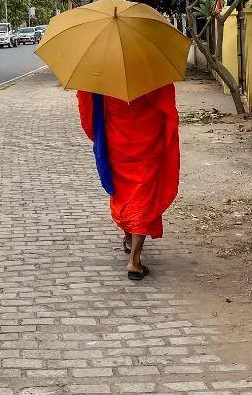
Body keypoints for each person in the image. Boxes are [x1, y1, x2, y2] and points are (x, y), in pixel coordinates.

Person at [77, 84, 180, 281]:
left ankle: (128, 236)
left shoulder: (102, 74)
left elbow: (87, 107)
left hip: (117, 142)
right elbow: (167, 106)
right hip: (148, 141)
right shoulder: (150, 71)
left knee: (124, 193)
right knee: (143, 195)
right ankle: (134, 260)